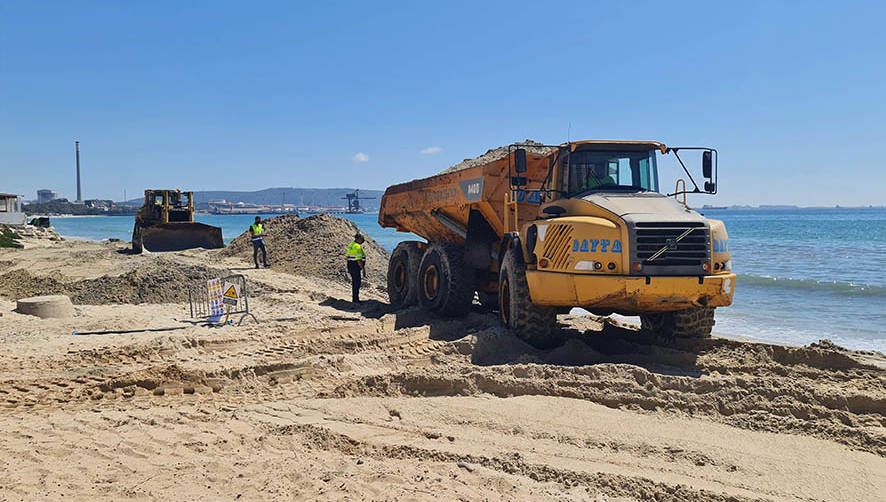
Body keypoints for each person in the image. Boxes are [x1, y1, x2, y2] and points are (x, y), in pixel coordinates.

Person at [346, 233, 367, 303]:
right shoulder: (358, 247)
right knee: (357, 283)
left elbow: (346, 257)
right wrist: (363, 269)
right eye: (362, 239)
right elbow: (359, 260)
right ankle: (355, 299)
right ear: (358, 239)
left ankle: (354, 298)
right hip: (355, 267)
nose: (363, 241)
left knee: (354, 282)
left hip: (350, 265)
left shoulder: (351, 245)